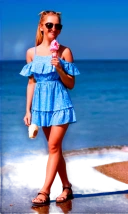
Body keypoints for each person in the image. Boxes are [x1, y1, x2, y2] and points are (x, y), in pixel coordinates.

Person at [20, 10, 80, 206]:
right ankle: (67, 187)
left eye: (58, 26)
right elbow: (31, 83)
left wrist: (60, 68)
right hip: (40, 106)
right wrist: (28, 111)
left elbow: (71, 84)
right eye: (50, 25)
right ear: (41, 27)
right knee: (56, 149)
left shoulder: (65, 51)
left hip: (60, 103)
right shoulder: (32, 53)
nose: (54, 29)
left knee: (53, 147)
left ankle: (44, 191)